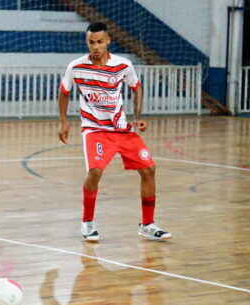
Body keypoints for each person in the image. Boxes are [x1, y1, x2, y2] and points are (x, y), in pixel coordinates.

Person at [57, 22, 171, 242]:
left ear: (108, 41)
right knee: (96, 171)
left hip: (122, 130)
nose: (96, 46)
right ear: (87, 42)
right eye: (91, 42)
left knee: (149, 169)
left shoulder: (123, 65)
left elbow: (136, 88)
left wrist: (138, 116)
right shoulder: (76, 67)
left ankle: (147, 225)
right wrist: (63, 122)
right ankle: (87, 223)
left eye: (100, 42)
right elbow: (64, 92)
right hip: (94, 130)